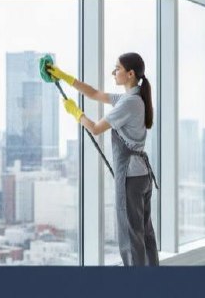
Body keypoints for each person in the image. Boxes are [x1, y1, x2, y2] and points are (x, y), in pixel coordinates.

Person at [46, 53, 159, 266]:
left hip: (130, 179)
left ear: (130, 74)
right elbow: (94, 93)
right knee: (145, 233)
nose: (113, 72)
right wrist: (63, 76)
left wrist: (76, 113)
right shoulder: (133, 98)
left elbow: (96, 128)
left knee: (130, 236)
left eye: (117, 68)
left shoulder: (129, 104)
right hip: (142, 175)